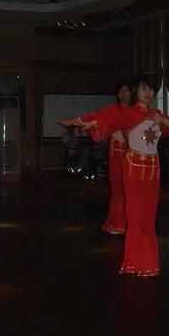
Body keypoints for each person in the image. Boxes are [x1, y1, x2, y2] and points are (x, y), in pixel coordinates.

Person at [72, 75, 169, 277]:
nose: (147, 93)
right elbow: (107, 121)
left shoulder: (156, 114)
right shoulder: (128, 113)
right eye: (143, 89)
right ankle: (135, 262)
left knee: (149, 217)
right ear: (135, 91)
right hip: (133, 168)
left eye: (150, 89)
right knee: (135, 216)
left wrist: (162, 120)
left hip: (153, 170)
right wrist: (91, 124)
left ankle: (149, 264)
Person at [58, 80, 132, 235]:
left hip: (133, 152)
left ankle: (133, 224)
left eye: (126, 90)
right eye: (120, 91)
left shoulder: (135, 111)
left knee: (131, 189)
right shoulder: (112, 110)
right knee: (118, 188)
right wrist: (73, 122)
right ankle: (117, 224)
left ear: (132, 92)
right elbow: (94, 116)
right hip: (116, 152)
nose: (123, 94)